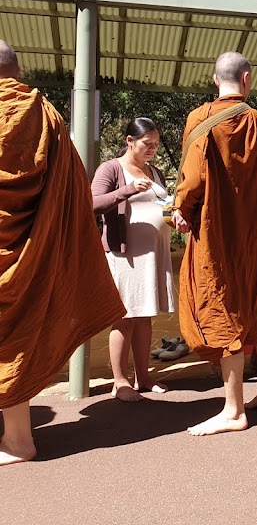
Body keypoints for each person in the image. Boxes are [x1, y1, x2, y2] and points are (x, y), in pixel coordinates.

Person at [0, 40, 126, 465]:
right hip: (29, 250)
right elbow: (72, 188)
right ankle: (15, 437)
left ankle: (19, 443)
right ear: (17, 70)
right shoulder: (46, 114)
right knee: (14, 338)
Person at [172, 52, 257, 435]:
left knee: (222, 308)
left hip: (217, 234)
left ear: (213, 79)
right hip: (255, 235)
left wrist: (180, 209)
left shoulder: (201, 119)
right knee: (253, 300)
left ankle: (233, 409)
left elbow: (192, 178)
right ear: (248, 80)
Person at [91, 117, 175, 402]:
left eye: (156, 144)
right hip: (125, 254)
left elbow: (161, 206)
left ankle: (144, 377)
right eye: (146, 144)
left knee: (145, 315)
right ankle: (120, 381)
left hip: (153, 254)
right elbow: (91, 202)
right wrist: (127, 189)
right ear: (129, 141)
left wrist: (174, 214)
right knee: (125, 317)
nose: (153, 149)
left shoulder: (156, 172)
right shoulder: (111, 168)